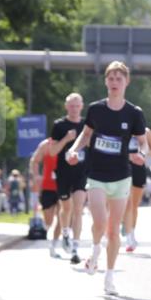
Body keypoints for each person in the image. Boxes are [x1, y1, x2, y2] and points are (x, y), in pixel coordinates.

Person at [66, 61, 147, 296]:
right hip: (97, 175)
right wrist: (74, 149)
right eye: (110, 79)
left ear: (126, 82)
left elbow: (142, 141)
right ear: (105, 82)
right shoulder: (95, 109)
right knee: (100, 222)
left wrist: (141, 154)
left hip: (121, 176)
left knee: (113, 231)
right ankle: (94, 252)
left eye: (118, 79)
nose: (114, 83)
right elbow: (86, 134)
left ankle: (109, 277)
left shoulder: (134, 113)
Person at [49, 93, 87, 264]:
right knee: (66, 208)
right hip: (63, 173)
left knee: (78, 209)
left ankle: (76, 248)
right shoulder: (59, 125)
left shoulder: (87, 125)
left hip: (82, 172)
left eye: (77, 105)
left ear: (82, 106)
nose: (74, 109)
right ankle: (65, 233)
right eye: (71, 106)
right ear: (66, 107)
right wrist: (66, 139)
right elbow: (52, 152)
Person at [123, 126, 151, 252]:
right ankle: (124, 227)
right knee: (124, 202)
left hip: (138, 167)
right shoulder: (120, 126)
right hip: (121, 167)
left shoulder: (146, 131)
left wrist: (141, 152)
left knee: (133, 205)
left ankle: (131, 235)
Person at [30, 138, 63, 257]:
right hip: (48, 187)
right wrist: (36, 176)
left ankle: (54, 245)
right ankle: (49, 235)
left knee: (62, 218)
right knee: (49, 220)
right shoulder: (46, 145)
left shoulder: (69, 143)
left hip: (63, 186)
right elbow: (34, 161)